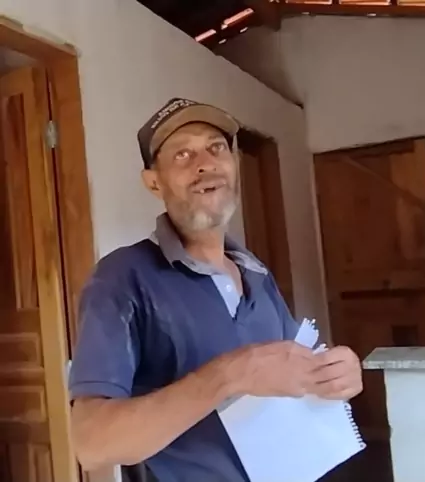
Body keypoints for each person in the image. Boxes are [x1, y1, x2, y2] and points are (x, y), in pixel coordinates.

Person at [69, 97, 363, 482]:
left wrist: (335, 374)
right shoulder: (122, 277)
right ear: (154, 182)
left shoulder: (257, 273)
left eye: (216, 147)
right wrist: (229, 375)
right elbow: (92, 444)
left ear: (234, 164)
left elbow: (295, 371)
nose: (205, 163)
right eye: (182, 154)